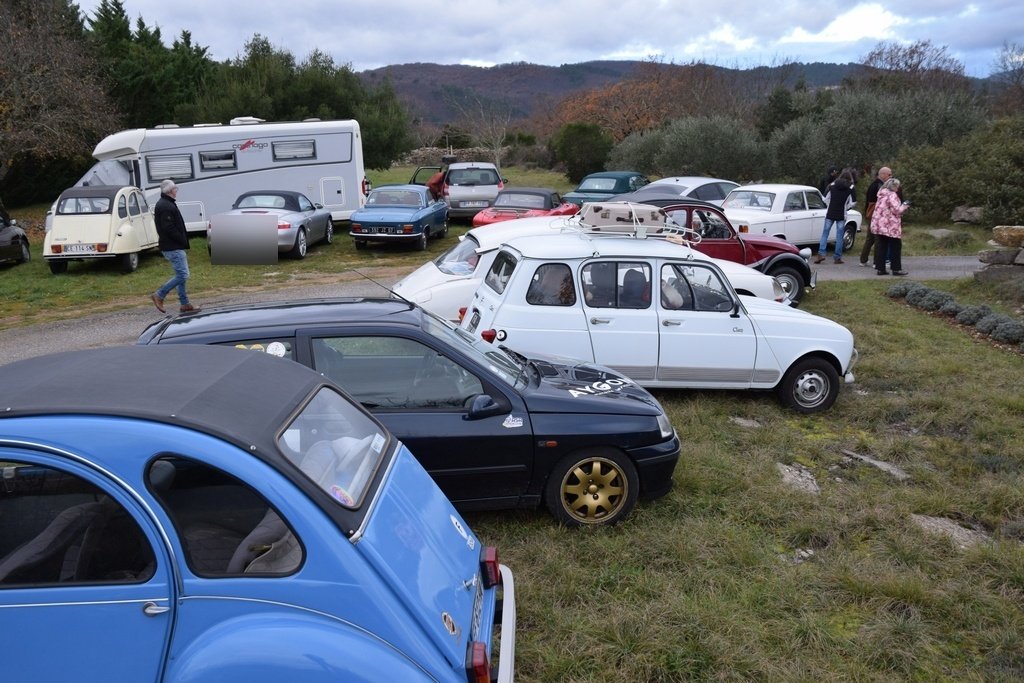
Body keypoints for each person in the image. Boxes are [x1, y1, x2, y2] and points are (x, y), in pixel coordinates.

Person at [150, 179, 200, 313]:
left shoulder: (166, 203)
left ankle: (185, 304)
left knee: (180, 275)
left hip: (173, 245)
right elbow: (168, 227)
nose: (176, 191)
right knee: (183, 275)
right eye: (175, 189)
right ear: (170, 191)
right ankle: (159, 295)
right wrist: (181, 239)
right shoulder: (165, 205)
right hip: (172, 246)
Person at [815, 169, 855, 264]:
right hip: (841, 214)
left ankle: (821, 254)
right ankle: (837, 257)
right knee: (839, 236)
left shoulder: (832, 185)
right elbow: (853, 202)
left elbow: (824, 198)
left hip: (830, 212)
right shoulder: (851, 187)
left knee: (825, 233)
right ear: (850, 178)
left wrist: (830, 204)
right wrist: (846, 207)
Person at [871, 178, 910, 276]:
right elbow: (897, 210)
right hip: (890, 225)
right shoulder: (892, 195)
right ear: (894, 186)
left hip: (879, 224)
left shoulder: (881, 194)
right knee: (896, 246)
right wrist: (905, 205)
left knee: (882, 246)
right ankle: (896, 269)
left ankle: (880, 268)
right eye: (897, 186)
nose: (898, 188)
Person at [859, 166, 893, 266]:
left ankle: (863, 260)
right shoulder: (880, 186)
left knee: (870, 238)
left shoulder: (874, 184)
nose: (891, 176)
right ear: (882, 174)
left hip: (871, 215)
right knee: (878, 239)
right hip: (876, 215)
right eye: (889, 174)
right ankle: (877, 262)